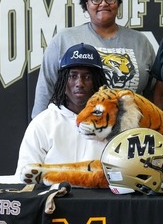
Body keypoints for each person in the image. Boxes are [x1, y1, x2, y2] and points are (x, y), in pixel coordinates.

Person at [31, 0, 156, 118]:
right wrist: (38, 128)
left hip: (128, 133)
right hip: (79, 129)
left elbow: (154, 94)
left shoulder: (140, 41)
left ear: (118, 2)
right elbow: (45, 91)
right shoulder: (64, 39)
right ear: (86, 4)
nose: (103, 3)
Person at [16, 43, 108, 182]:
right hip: (52, 201)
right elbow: (24, 177)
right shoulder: (42, 123)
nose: (80, 83)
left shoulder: (112, 124)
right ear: (62, 82)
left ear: (98, 82)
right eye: (73, 76)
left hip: (100, 201)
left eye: (87, 77)